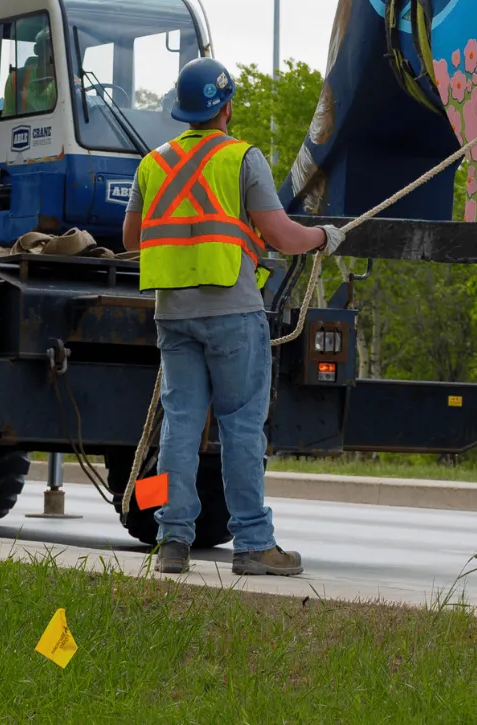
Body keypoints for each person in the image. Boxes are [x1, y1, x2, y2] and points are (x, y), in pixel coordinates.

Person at [123, 57, 344, 576]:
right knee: (241, 428)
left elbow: (132, 239)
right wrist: (325, 238)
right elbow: (283, 236)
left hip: (173, 313)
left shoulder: (152, 164)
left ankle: (173, 542)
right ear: (225, 107)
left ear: (183, 110)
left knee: (179, 427)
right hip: (231, 312)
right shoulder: (243, 159)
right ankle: (253, 546)